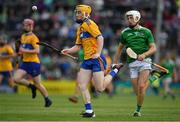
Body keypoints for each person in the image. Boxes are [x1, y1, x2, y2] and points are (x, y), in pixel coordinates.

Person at [61, 4, 123, 118]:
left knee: (100, 89)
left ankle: (114, 70)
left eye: (79, 12)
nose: (77, 14)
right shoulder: (80, 28)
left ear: (85, 14)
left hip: (96, 59)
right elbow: (77, 46)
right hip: (87, 60)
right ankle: (89, 111)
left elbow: (100, 38)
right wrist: (68, 51)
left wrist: (98, 53)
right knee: (82, 85)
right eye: (76, 12)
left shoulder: (90, 24)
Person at [114, 10, 157, 117]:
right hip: (132, 64)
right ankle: (153, 77)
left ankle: (137, 110)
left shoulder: (146, 32)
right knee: (137, 91)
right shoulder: (125, 32)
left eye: (131, 18)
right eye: (128, 18)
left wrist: (145, 55)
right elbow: (119, 49)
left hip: (145, 63)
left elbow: (153, 48)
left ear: (137, 18)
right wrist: (114, 63)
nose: (129, 20)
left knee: (142, 87)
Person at [13, 19, 52, 107]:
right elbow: (22, 50)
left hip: (34, 63)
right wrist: (20, 53)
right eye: (24, 25)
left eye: (26, 25)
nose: (24, 26)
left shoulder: (34, 37)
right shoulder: (23, 36)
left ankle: (47, 99)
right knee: (16, 79)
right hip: (25, 63)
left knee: (38, 83)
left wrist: (24, 50)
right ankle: (31, 86)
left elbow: (37, 51)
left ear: (31, 26)